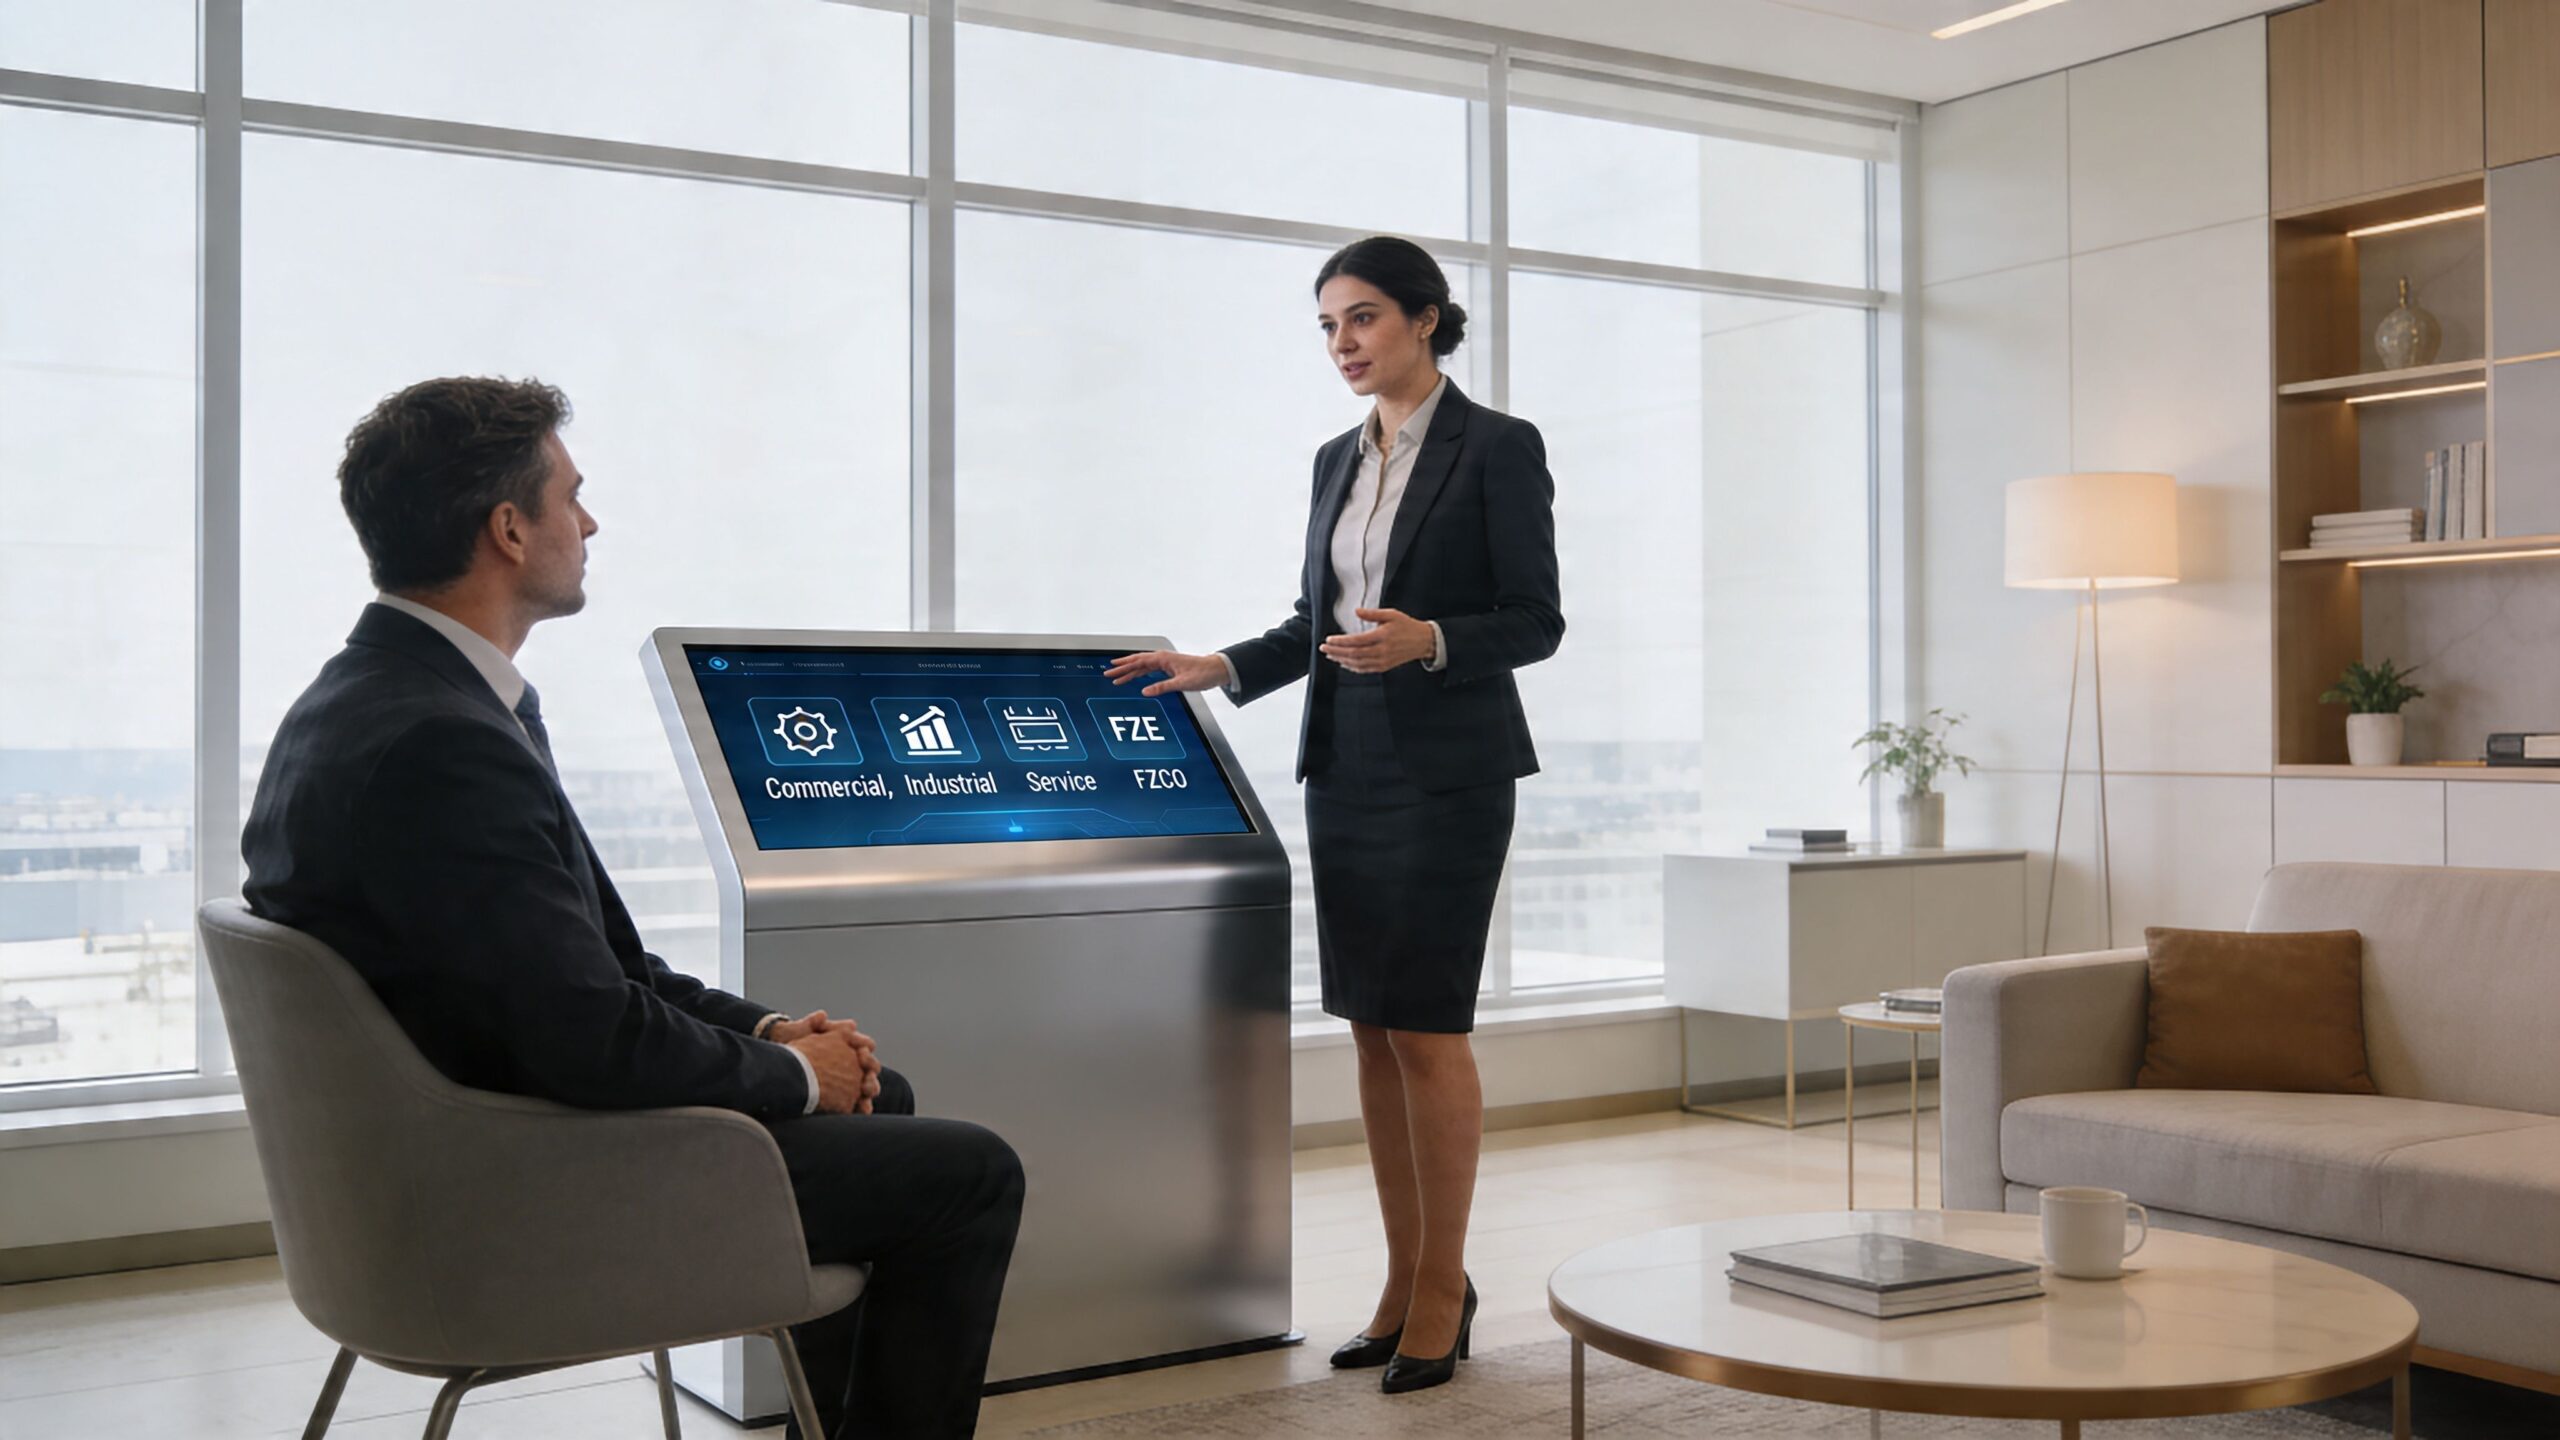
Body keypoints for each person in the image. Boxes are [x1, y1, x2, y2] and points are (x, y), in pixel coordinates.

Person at [241, 376, 1022, 1440]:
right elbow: (589, 1037)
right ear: (509, 529)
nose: (590, 522)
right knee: (967, 1173)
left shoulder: (383, 696)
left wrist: (768, 1033)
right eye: (572, 496)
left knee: (884, 1097)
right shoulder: (443, 742)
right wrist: (796, 1074)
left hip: (446, 1153)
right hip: (517, 1186)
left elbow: (601, 965)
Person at [1107, 236, 1563, 1395]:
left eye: (1361, 319)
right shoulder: (1333, 459)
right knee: (1369, 1026)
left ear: (1424, 319)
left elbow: (1536, 618)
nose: (1342, 344)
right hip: (1348, 766)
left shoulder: (1497, 448)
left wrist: (1434, 639)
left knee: (1426, 1027)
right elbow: (1316, 615)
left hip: (1451, 772)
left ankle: (1445, 1288)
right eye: (1326, 326)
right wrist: (1222, 664)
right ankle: (1406, 1286)